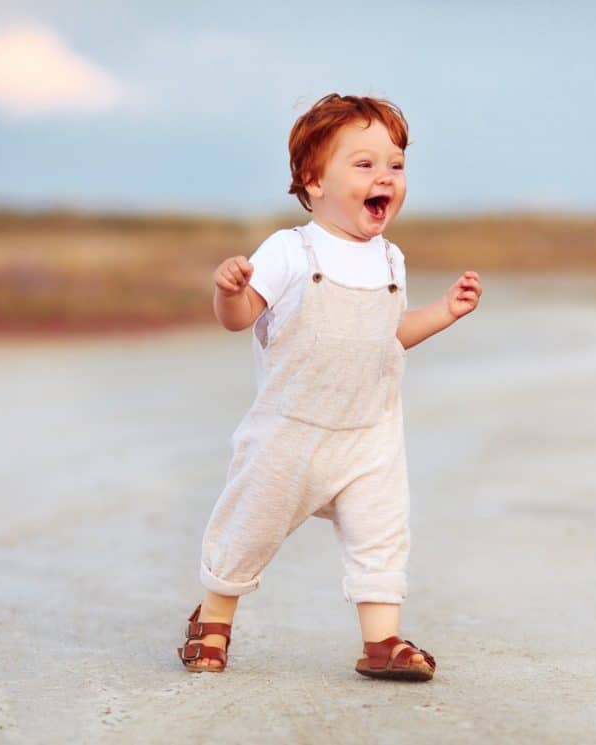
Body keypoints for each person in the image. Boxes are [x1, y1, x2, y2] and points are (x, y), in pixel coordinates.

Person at [175, 93, 482, 681]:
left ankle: (381, 640)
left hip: (369, 433)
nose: (385, 177)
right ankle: (212, 620)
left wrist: (444, 311)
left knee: (383, 532)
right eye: (364, 165)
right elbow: (240, 319)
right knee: (250, 525)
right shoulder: (292, 250)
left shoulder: (391, 259)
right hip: (290, 431)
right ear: (313, 180)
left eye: (395, 165)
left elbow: (389, 335)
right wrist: (229, 290)